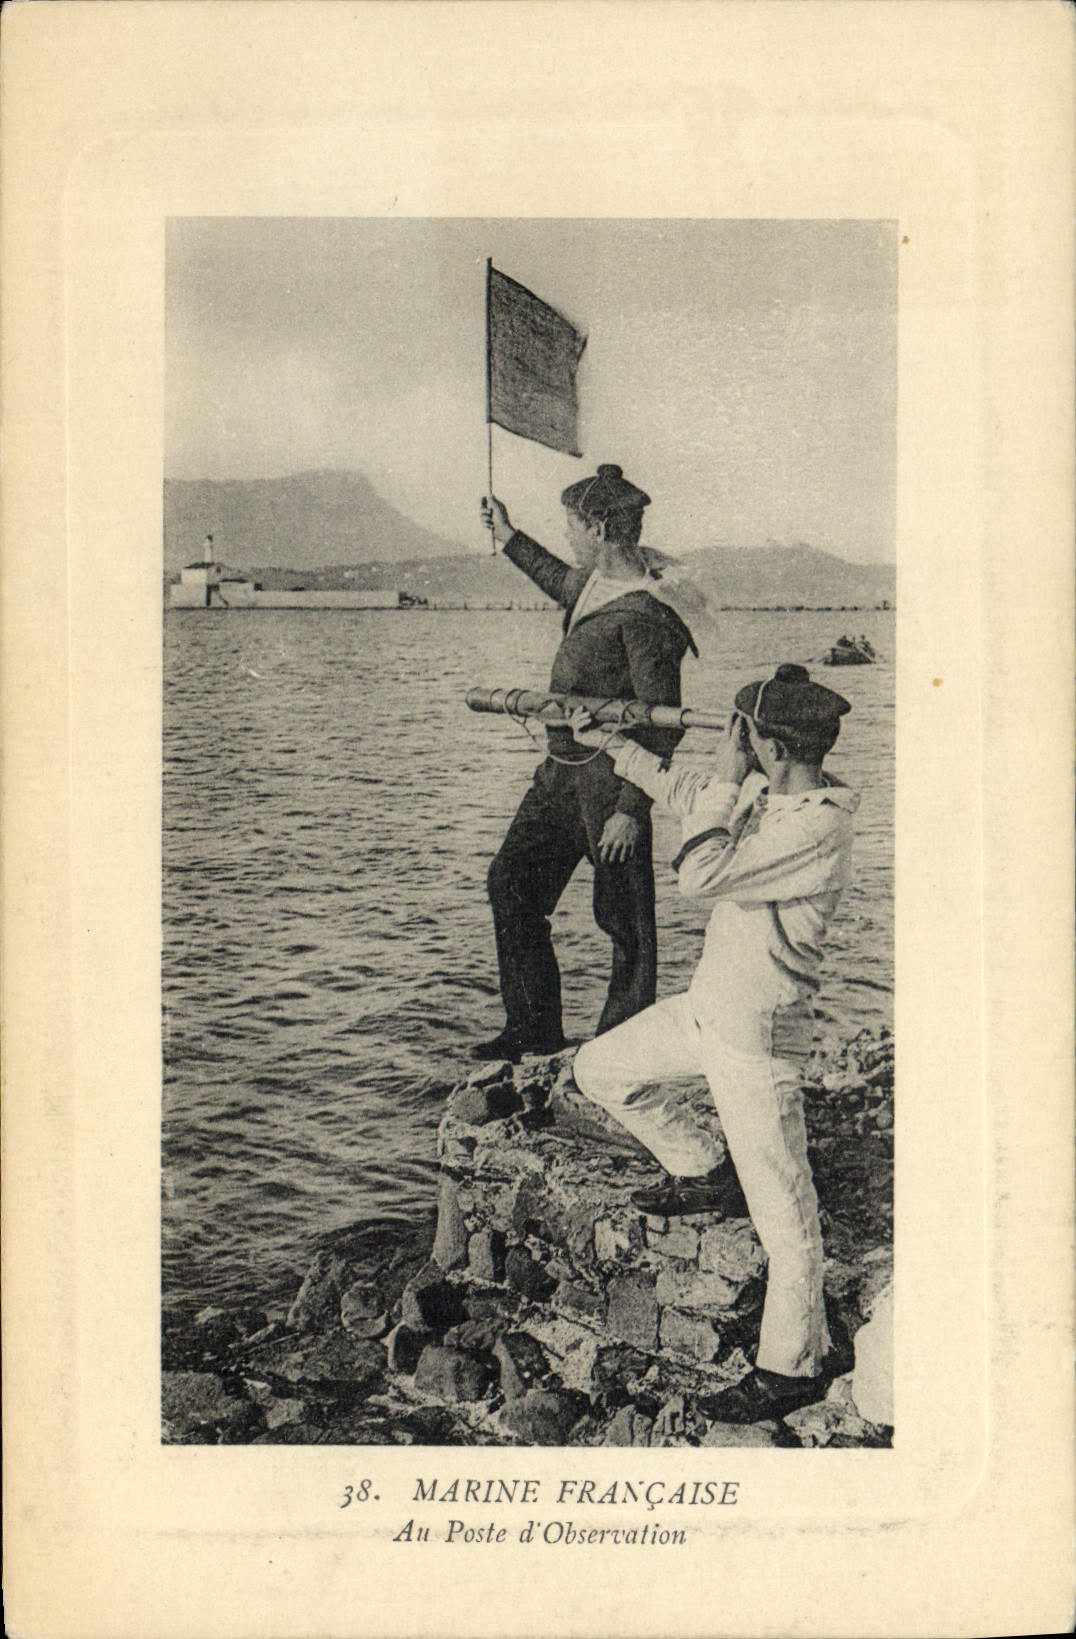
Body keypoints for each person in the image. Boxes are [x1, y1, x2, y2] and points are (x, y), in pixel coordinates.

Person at [569, 662, 858, 1421]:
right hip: (709, 1012)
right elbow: (689, 792)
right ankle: (703, 1166)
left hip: (757, 1039)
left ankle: (793, 1366)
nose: (738, 746)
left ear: (772, 747)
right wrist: (612, 743)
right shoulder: (770, 794)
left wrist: (729, 773)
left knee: (787, 1218)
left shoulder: (817, 826)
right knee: (599, 1069)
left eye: (747, 736)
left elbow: (700, 872)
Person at [475, 465, 697, 1063]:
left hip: (612, 783)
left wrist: (631, 810)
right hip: (559, 775)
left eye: (572, 525)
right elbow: (556, 577)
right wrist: (508, 535)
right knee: (511, 883)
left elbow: (661, 721)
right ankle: (532, 1030)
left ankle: (624, 1052)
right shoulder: (597, 584)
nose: (568, 536)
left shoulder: (649, 614)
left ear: (598, 528)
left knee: (625, 924)